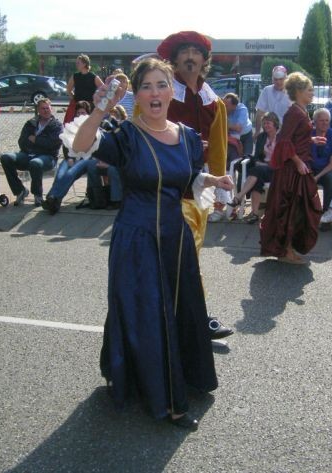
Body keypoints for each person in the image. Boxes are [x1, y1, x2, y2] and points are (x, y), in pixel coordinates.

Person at [69, 58, 233, 430]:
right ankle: (168, 401)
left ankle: (170, 376)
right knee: (147, 312)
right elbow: (81, 144)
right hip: (136, 239)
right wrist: (101, 108)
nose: (155, 93)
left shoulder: (187, 136)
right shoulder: (126, 135)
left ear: (172, 90)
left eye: (161, 85)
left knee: (180, 309)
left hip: (176, 237)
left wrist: (213, 180)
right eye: (146, 86)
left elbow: (187, 178)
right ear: (138, 95)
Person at [157, 31, 233, 338]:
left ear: (204, 60)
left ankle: (189, 318)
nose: (190, 56)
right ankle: (186, 319)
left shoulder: (213, 101)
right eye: (184, 51)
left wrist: (221, 190)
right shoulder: (161, 94)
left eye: (196, 52)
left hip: (198, 189)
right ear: (174, 60)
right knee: (174, 258)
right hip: (165, 189)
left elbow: (218, 149)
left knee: (191, 256)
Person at [260, 72, 322, 265]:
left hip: (299, 168)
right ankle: (286, 251)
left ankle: (289, 248)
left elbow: (295, 137)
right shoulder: (294, 112)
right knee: (291, 210)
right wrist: (297, 161)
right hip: (292, 171)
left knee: (301, 210)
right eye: (309, 90)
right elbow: (283, 140)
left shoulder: (301, 111)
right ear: (299, 91)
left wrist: (311, 139)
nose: (312, 93)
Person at [0, 98, 62, 207]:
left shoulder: (56, 125)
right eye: (43, 108)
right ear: (38, 110)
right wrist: (40, 143)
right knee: (5, 157)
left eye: (47, 108)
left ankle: (38, 195)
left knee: (35, 163)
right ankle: (20, 190)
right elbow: (22, 142)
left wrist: (35, 140)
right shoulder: (30, 123)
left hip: (48, 157)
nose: (46, 110)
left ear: (51, 109)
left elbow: (52, 144)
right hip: (27, 154)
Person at [42, 101, 93, 215]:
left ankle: (52, 197)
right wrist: (69, 157)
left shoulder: (92, 127)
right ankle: (54, 202)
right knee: (61, 174)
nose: (80, 115)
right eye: (78, 113)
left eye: (83, 113)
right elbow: (65, 144)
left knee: (70, 173)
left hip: (85, 159)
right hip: (70, 157)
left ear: (88, 114)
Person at [228, 112, 279, 224]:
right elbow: (256, 156)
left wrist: (267, 164)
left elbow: (283, 158)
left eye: (268, 123)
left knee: (255, 171)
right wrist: (259, 162)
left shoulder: (281, 138)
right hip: (262, 170)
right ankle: (255, 214)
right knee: (257, 180)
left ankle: (238, 197)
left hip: (277, 170)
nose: (265, 125)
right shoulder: (261, 137)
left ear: (275, 124)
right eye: (264, 123)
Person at [310, 108, 332, 212]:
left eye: (327, 120)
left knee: (331, 178)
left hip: (326, 170)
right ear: (315, 122)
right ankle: (306, 211)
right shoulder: (309, 135)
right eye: (321, 120)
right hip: (310, 168)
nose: (325, 123)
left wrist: (317, 177)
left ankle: (327, 211)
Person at [254, 65, 292, 139]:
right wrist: (257, 131)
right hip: (270, 132)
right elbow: (260, 113)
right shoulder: (267, 90)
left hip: (287, 132)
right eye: (276, 79)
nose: (278, 82)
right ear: (272, 79)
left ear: (286, 78)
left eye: (281, 79)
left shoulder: (292, 92)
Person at [64, 54, 104, 123]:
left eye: (78, 63)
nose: (76, 64)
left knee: (89, 125)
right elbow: (68, 89)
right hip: (77, 106)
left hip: (90, 107)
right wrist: (74, 98)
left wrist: (97, 99)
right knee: (74, 124)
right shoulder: (75, 76)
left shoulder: (94, 77)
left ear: (85, 64)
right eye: (76, 63)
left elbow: (103, 89)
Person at [223, 92, 253, 157]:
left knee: (247, 157)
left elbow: (238, 128)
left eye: (226, 105)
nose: (224, 107)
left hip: (246, 136)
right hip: (233, 138)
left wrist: (224, 125)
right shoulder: (222, 109)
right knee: (233, 159)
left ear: (234, 106)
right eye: (223, 104)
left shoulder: (242, 109)